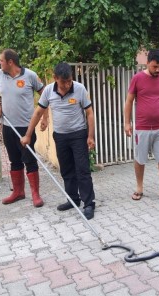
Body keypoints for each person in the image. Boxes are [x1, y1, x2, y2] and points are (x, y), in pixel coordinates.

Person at [20, 62, 96, 220]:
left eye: (69, 81)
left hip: (78, 135)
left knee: (82, 170)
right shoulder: (48, 91)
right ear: (55, 79)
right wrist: (27, 135)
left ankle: (89, 204)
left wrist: (90, 136)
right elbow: (38, 112)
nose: (67, 85)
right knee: (67, 171)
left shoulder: (80, 89)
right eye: (63, 82)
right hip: (60, 137)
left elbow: (89, 113)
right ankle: (73, 200)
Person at [0, 49, 47, 207]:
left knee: (29, 160)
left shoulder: (30, 76)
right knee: (14, 160)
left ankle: (35, 194)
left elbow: (45, 95)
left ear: (10, 62)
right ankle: (18, 192)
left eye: (1, 60)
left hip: (26, 128)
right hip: (8, 126)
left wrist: (44, 118)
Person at [124, 48, 159, 203]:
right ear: (147, 63)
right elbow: (129, 101)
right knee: (140, 159)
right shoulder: (137, 78)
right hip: (142, 127)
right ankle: (139, 188)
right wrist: (127, 122)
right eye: (155, 66)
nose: (158, 70)